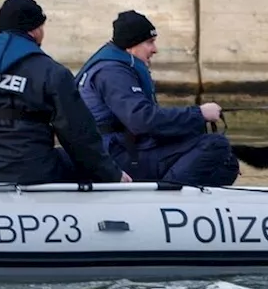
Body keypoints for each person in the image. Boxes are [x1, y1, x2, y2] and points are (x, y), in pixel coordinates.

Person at [0, 0, 130, 185]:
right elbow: (79, 136)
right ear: (35, 30)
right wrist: (113, 175)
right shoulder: (52, 72)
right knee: (79, 159)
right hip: (32, 173)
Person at [75, 10, 239, 187]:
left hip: (125, 149)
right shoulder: (112, 73)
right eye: (150, 42)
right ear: (131, 45)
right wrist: (199, 114)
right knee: (216, 145)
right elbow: (142, 120)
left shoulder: (115, 67)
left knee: (227, 162)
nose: (155, 49)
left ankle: (192, 201)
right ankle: (165, 197)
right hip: (115, 156)